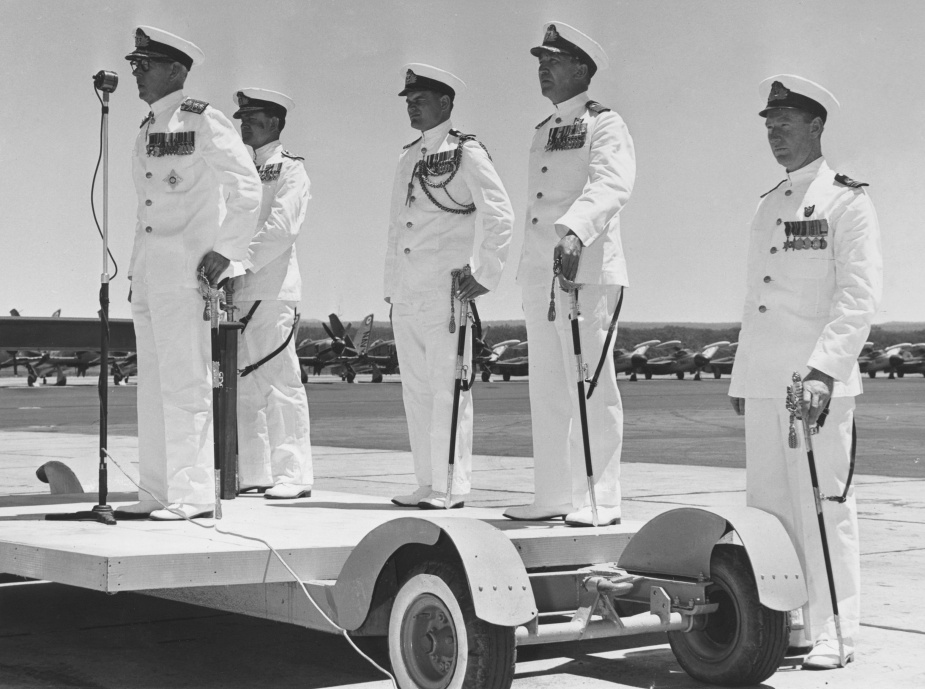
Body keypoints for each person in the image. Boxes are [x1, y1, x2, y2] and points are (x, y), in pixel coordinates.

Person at [729, 74, 882, 669]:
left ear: (816, 127)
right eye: (769, 126)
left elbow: (859, 297)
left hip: (814, 383)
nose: (776, 136)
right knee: (768, 510)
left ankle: (836, 629)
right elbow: (756, 298)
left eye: (786, 125)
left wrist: (823, 371)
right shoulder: (770, 203)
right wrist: (744, 375)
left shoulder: (847, 200)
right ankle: (789, 621)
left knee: (822, 505)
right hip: (768, 382)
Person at [118, 26, 261, 520]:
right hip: (150, 273)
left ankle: (194, 493)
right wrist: (136, 269)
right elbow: (148, 209)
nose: (136, 72)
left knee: (186, 382)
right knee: (153, 384)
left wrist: (227, 250)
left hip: (186, 273)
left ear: (176, 70)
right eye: (135, 64)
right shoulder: (145, 127)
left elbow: (246, 187)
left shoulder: (203, 120)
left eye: (146, 64)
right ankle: (157, 490)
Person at [504, 22, 635, 526]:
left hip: (586, 270)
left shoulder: (605, 123)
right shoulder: (544, 129)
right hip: (541, 272)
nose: (543, 67)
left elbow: (612, 183)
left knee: (591, 386)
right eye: (540, 59)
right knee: (549, 387)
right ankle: (554, 496)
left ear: (582, 68)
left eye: (553, 60)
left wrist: (576, 232)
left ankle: (601, 500)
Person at [384, 64, 513, 509]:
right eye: (409, 100)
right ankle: (427, 480)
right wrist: (392, 288)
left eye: (420, 99)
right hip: (408, 293)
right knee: (416, 391)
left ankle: (452, 485)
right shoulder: (408, 156)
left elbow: (500, 213)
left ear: (445, 103)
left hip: (446, 292)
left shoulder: (467, 152)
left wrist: (485, 271)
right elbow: (397, 229)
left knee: (447, 389)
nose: (412, 106)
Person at [230, 88, 313, 500]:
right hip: (236, 294)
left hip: (271, 289)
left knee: (280, 382)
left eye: (254, 117)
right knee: (244, 383)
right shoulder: (239, 169)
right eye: (242, 117)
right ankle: (255, 472)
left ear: (276, 123)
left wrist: (236, 263)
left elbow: (281, 229)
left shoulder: (290, 171)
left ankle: (293, 475)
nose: (244, 124)